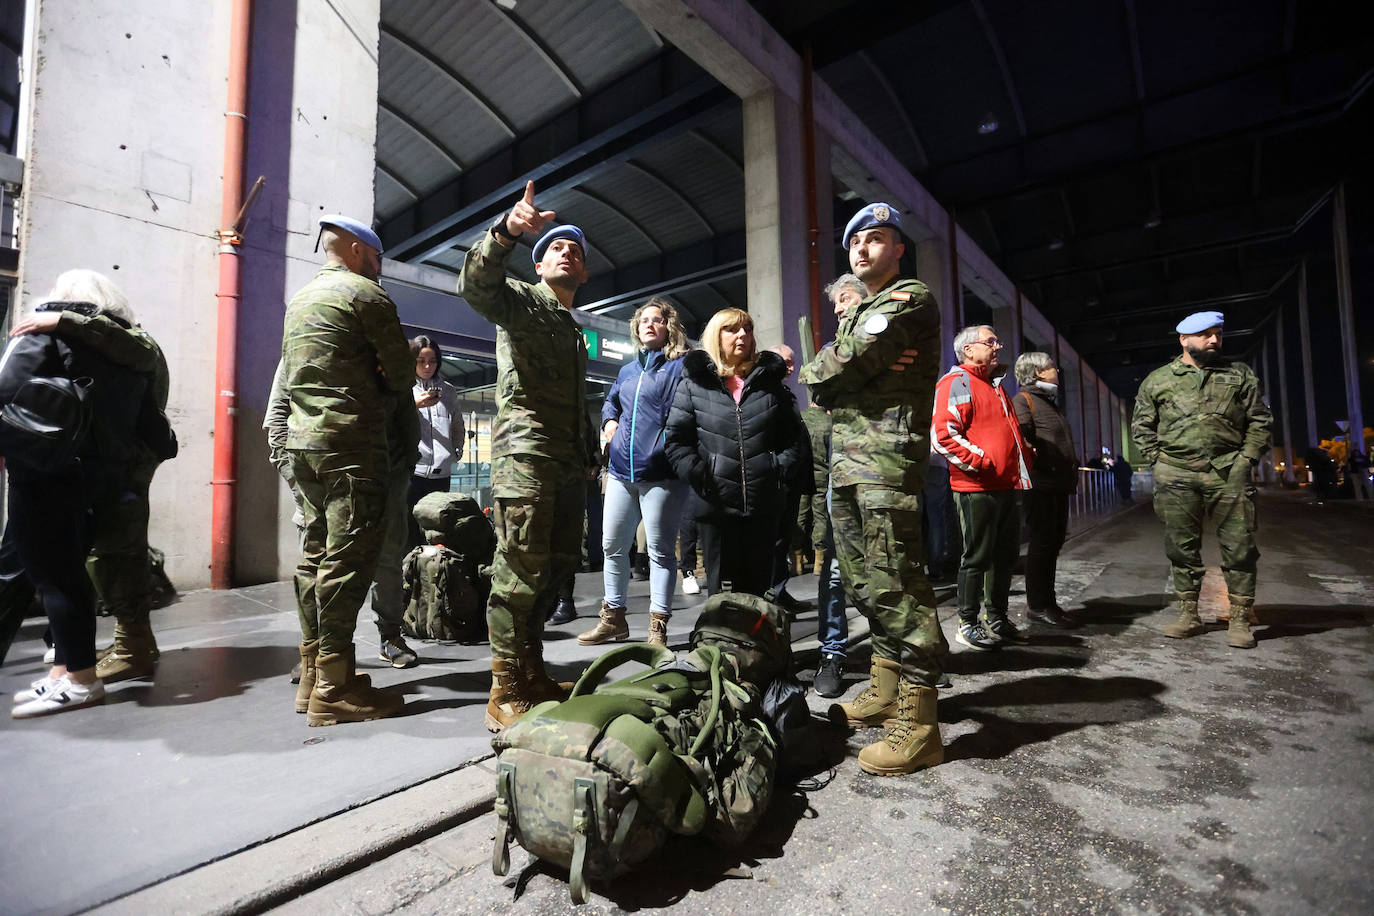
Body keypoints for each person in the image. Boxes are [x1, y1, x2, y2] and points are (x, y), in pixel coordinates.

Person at [798, 203, 945, 776]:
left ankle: (922, 721)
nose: (862, 249)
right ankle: (885, 687)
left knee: (897, 578)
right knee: (864, 580)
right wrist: (842, 369)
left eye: (876, 239)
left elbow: (837, 370)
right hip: (849, 463)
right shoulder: (860, 313)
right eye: (855, 241)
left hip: (886, 460)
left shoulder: (909, 298)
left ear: (899, 248)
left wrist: (832, 368)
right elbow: (839, 378)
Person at [459, 181, 599, 731]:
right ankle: (504, 686)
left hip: (565, 461)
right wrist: (508, 232)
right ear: (538, 265)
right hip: (526, 458)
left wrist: (588, 454)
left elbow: (576, 403)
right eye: (557, 248)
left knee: (557, 567)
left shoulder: (571, 326)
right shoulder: (520, 301)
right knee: (518, 570)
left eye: (577, 252)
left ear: (583, 275)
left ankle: (532, 668)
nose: (567, 253)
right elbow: (476, 285)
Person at [5, 270, 163, 717]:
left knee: (54, 579)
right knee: (71, 576)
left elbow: (6, 388)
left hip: (44, 470)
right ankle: (65, 671)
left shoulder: (44, 334)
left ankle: (80, 680)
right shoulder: (131, 352)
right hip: (102, 478)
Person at [282, 214, 416, 726]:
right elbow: (401, 375)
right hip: (353, 446)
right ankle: (333, 692)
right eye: (377, 259)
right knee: (349, 559)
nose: (379, 270)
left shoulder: (301, 299)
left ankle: (315, 672)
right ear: (360, 251)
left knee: (315, 556)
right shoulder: (366, 297)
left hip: (305, 445)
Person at [1132, 310, 1272, 649]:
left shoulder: (1239, 375)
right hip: (1177, 474)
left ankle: (1238, 619)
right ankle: (1188, 615)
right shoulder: (1158, 380)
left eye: (1218, 334)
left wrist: (1247, 459)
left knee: (1240, 547)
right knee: (1181, 548)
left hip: (1228, 472)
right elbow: (1142, 427)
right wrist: (1159, 462)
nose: (1214, 340)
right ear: (1184, 339)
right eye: (1205, 334)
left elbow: (1260, 420)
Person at [665, 308, 804, 598]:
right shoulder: (694, 384)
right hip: (716, 503)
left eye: (748, 329)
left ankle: (758, 643)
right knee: (721, 592)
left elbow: (793, 437)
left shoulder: (769, 384)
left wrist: (777, 468)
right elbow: (677, 440)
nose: (742, 335)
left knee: (759, 590)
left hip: (763, 502)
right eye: (732, 329)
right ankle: (723, 643)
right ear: (716, 336)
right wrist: (699, 473)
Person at [578, 298, 689, 647]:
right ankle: (613, 619)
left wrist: (665, 444)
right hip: (621, 472)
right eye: (643, 320)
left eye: (657, 320)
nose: (649, 325)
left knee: (658, 550)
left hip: (662, 473)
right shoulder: (628, 371)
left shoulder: (679, 367)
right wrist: (610, 421)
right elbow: (612, 401)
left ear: (668, 326)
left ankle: (658, 626)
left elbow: (686, 413)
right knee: (612, 545)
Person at [932, 325, 1032, 652]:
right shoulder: (956, 382)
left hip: (1005, 485)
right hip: (977, 486)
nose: (997, 347)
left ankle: (997, 618)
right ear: (968, 350)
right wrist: (983, 462)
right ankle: (967, 623)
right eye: (991, 342)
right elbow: (943, 435)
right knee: (976, 558)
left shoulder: (995, 386)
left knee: (1004, 557)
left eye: (997, 340)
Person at [807, 272, 865, 699]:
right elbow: (819, 383)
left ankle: (899, 653)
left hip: (886, 469)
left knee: (891, 565)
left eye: (846, 299)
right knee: (834, 569)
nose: (840, 307)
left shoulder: (892, 333)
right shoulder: (833, 349)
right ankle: (832, 651)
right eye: (836, 303)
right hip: (843, 468)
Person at [1012, 352, 1078, 628]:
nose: (1057, 371)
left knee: (1052, 544)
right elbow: (1021, 437)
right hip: (1040, 485)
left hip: (1057, 485)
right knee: (1042, 545)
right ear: (1037, 372)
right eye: (1051, 367)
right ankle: (1037, 605)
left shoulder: (1046, 401)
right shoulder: (1024, 400)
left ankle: (1048, 602)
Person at [765, 342, 814, 616]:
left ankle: (779, 592)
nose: (792, 367)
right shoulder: (765, 392)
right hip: (778, 479)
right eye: (787, 361)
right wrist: (780, 466)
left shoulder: (785, 392)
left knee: (782, 538)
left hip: (791, 480)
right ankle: (771, 597)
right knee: (773, 540)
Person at [407, 336, 464, 547]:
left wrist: (457, 451)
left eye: (432, 360)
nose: (427, 366)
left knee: (438, 532)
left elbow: (457, 424)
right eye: (421, 360)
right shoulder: (404, 389)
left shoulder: (448, 391)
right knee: (410, 530)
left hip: (441, 474)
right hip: (413, 474)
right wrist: (414, 405)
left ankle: (433, 575)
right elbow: (390, 418)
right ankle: (409, 575)